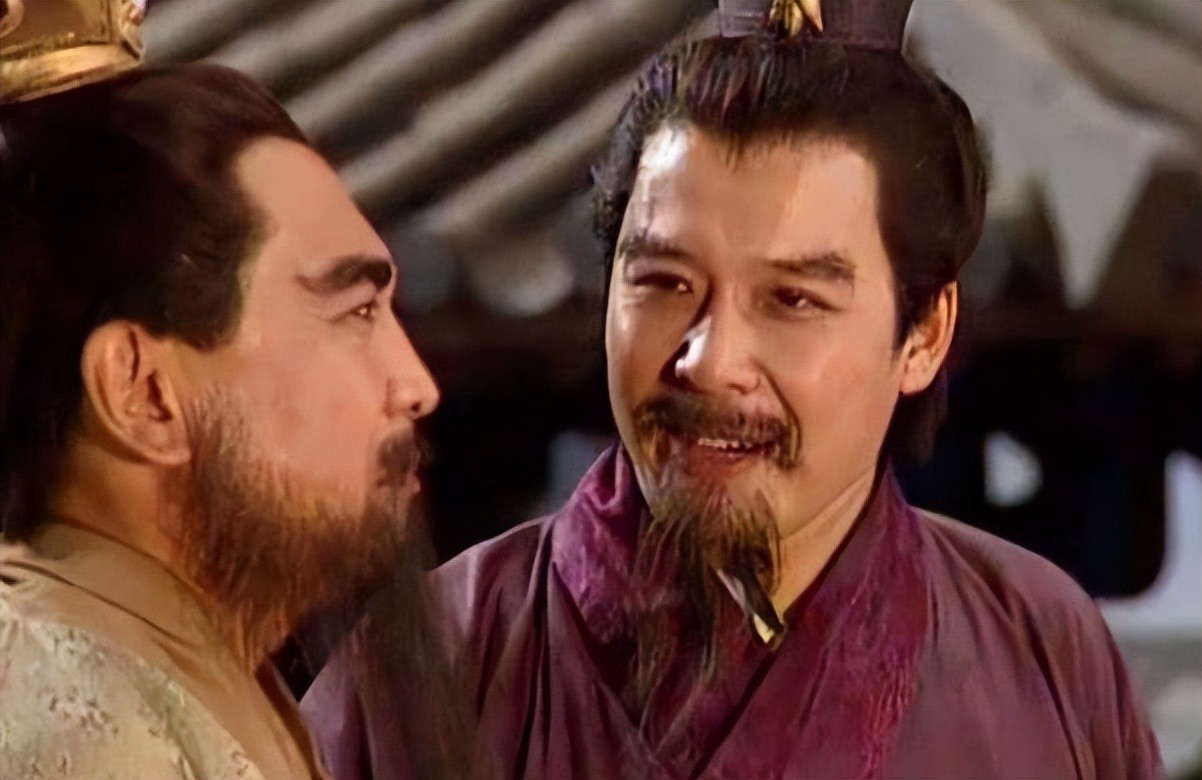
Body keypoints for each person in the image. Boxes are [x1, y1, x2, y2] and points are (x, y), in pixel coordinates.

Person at [303, 0, 1162, 777]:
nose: (709, 362)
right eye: (664, 283)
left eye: (792, 300)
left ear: (924, 335)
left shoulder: (1043, 650)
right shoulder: (428, 669)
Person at [0, 19, 447, 778]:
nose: (416, 386)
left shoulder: (176, 669)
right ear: (143, 392)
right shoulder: (76, 727)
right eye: (355, 313)